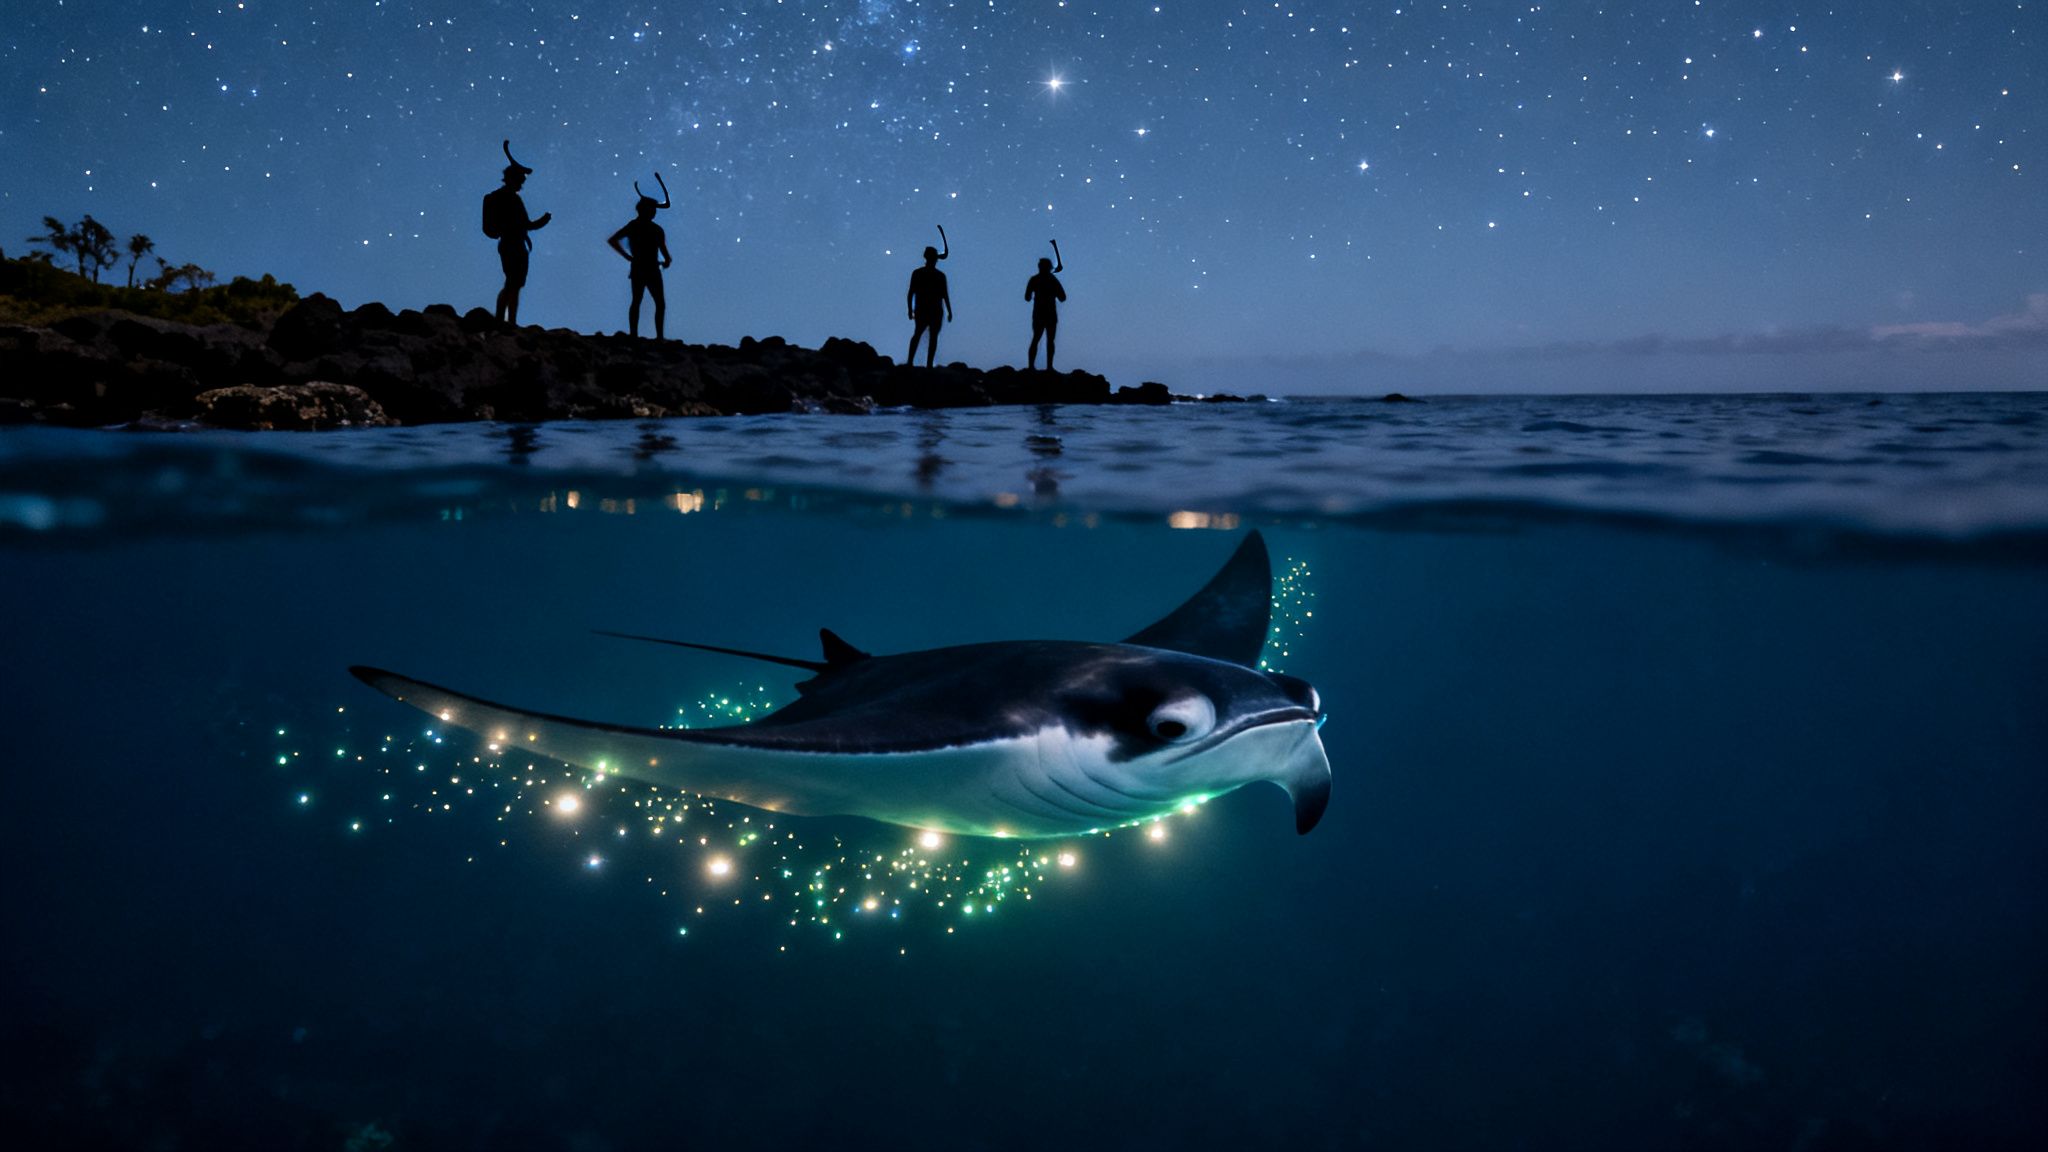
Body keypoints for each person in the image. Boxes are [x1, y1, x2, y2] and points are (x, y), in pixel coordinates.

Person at [481, 140, 550, 325]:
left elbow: (526, 225)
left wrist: (542, 221)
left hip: (517, 244)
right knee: (512, 282)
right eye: (520, 181)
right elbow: (526, 224)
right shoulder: (502, 198)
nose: (522, 185)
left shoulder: (509, 199)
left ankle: (510, 321)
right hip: (511, 244)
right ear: (513, 179)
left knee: (515, 284)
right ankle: (502, 319)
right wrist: (542, 221)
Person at [607, 174, 673, 339]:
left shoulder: (637, 226)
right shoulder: (653, 229)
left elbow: (613, 240)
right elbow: (665, 253)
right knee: (655, 303)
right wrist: (666, 261)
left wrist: (628, 257)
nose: (654, 213)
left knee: (640, 301)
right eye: (652, 210)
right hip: (648, 268)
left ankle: (636, 336)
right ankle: (657, 338)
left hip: (640, 267)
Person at [906, 228, 952, 368]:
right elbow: (912, 292)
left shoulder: (920, 273)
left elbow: (944, 295)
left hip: (928, 309)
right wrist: (950, 311)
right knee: (925, 335)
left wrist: (910, 309)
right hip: (930, 310)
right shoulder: (937, 275)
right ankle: (925, 364)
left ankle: (919, 363)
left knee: (923, 335)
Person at [1025, 255, 1067, 370]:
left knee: (1036, 338)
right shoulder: (1052, 280)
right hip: (1050, 314)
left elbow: (1027, 297)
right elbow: (1063, 297)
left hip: (1039, 313)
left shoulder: (1034, 280)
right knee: (1049, 340)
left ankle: (1031, 367)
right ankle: (1049, 367)